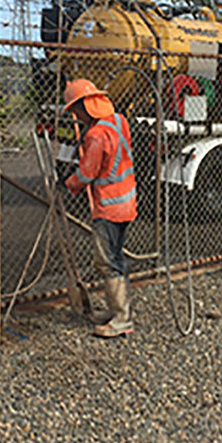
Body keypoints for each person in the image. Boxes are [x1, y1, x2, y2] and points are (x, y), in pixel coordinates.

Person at [62, 78, 137, 338]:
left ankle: (122, 319)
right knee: (116, 258)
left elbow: (87, 174)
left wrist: (69, 183)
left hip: (109, 207)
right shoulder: (118, 121)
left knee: (107, 262)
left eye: (75, 110)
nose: (75, 115)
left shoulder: (96, 135)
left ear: (85, 106)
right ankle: (119, 311)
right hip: (127, 202)